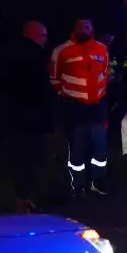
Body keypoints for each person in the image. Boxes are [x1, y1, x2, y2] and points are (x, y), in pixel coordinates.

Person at [49, 18, 111, 197]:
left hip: (97, 107)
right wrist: (66, 95)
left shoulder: (101, 48)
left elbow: (105, 73)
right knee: (77, 147)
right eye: (80, 26)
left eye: (87, 26)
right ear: (74, 28)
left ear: (92, 28)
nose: (84, 29)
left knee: (100, 146)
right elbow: (54, 78)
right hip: (75, 108)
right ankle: (78, 185)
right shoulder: (61, 51)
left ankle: (98, 181)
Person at [4, 20, 54, 212]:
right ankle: (25, 201)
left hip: (15, 119)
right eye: (44, 36)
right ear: (34, 35)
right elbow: (41, 91)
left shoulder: (10, 55)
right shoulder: (36, 58)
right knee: (30, 161)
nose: (46, 40)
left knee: (21, 161)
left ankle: (22, 199)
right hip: (32, 121)